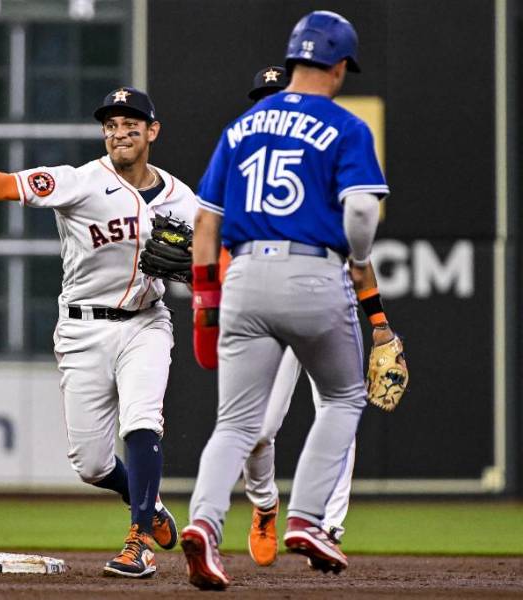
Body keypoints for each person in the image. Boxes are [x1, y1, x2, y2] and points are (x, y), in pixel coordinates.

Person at [0, 87, 198, 579]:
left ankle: (138, 541)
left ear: (151, 132)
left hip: (146, 322)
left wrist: (200, 273)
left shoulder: (183, 198)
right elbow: (13, 185)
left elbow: (207, 263)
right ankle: (145, 501)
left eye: (131, 124)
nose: (120, 132)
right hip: (82, 328)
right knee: (91, 463)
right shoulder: (81, 182)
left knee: (142, 420)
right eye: (112, 125)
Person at [180, 11, 399, 589]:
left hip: (245, 277)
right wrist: (355, 259)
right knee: (344, 398)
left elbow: (206, 222)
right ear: (339, 64)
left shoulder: (240, 127)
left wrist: (206, 295)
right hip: (314, 275)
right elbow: (358, 211)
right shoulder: (345, 126)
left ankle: (203, 525)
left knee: (234, 424)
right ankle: (306, 518)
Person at [240, 65, 397, 569]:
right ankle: (265, 504)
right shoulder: (243, 173)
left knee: (340, 412)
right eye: (262, 100)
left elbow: (359, 256)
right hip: (268, 312)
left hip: (330, 307)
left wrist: (379, 323)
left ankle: (327, 527)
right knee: (258, 430)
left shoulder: (329, 171)